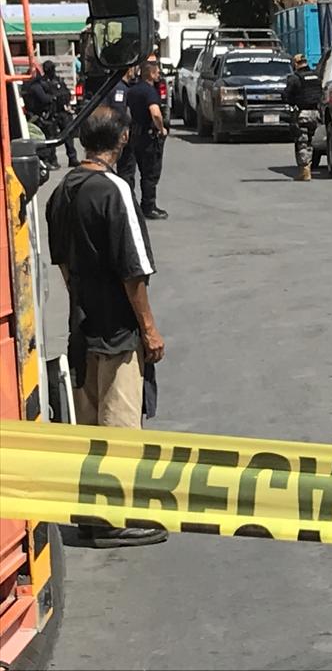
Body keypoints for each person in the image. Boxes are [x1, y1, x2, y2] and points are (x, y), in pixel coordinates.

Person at [46, 106, 167, 548]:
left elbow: (62, 262)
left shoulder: (63, 191)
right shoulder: (114, 190)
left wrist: (82, 304)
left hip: (83, 327)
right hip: (117, 332)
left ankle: (92, 514)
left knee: (90, 425)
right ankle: (114, 519)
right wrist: (149, 329)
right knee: (120, 426)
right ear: (122, 138)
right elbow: (133, 271)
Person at [125, 59, 168, 220]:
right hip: (149, 137)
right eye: (156, 71)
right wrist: (161, 129)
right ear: (150, 73)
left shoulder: (132, 90)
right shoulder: (150, 91)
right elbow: (155, 113)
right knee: (150, 174)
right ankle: (149, 206)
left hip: (134, 135)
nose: (158, 74)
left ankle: (134, 205)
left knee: (135, 172)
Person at [284, 53, 324, 181]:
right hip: (316, 114)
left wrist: (293, 103)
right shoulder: (316, 76)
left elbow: (286, 96)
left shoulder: (295, 78)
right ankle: (308, 168)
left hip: (303, 114)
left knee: (302, 142)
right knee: (310, 142)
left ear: (296, 64)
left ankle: (305, 171)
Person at [41, 60, 80, 167]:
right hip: (51, 113)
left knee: (68, 135)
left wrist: (65, 101)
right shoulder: (43, 83)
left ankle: (72, 158)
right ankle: (53, 160)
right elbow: (45, 98)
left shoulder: (59, 81)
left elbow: (66, 93)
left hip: (63, 112)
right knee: (52, 137)